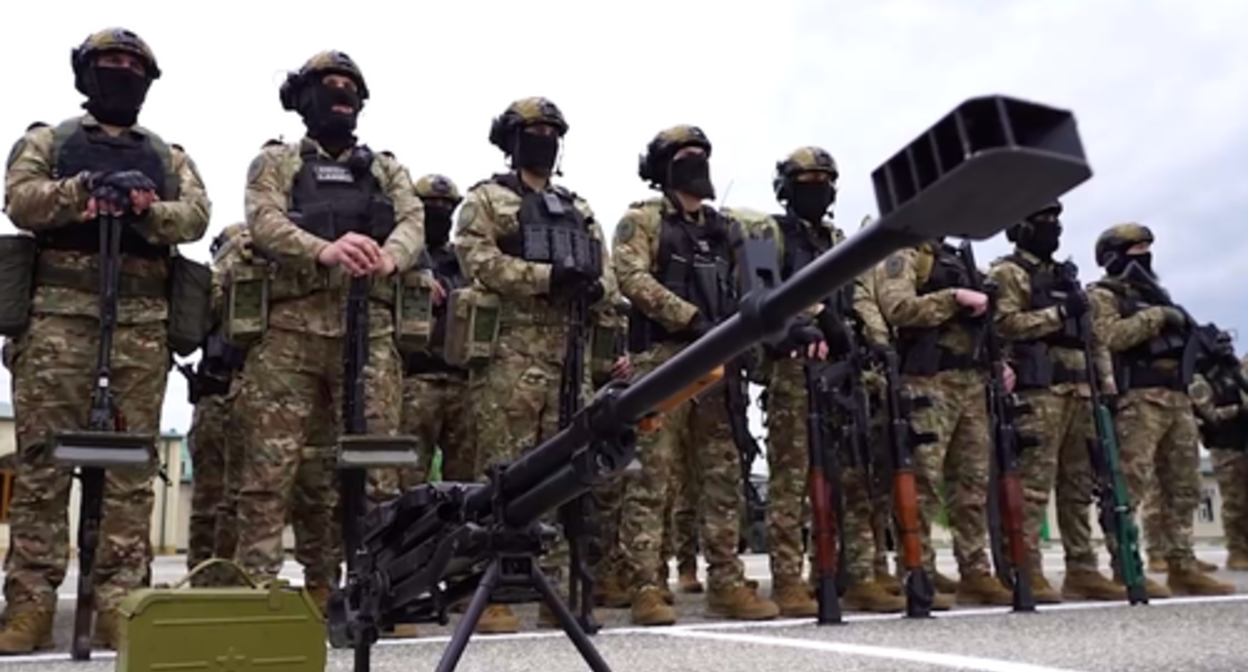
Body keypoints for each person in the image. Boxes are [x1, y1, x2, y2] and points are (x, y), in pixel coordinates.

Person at [0, 27, 211, 652]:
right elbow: (19, 199)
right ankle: (29, 607)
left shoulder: (168, 157)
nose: (122, 72)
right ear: (86, 74)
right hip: (57, 326)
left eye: (132, 65)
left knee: (130, 474)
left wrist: (147, 209)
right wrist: (83, 192)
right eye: (110, 62)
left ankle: (122, 605)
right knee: (41, 471)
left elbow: (196, 216)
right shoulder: (49, 141)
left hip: (140, 330)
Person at [229, 50, 422, 588]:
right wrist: (324, 249)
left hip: (369, 329)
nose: (342, 94)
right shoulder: (278, 162)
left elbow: (412, 220)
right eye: (330, 84)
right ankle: (260, 590)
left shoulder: (385, 169)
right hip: (291, 330)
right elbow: (262, 220)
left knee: (379, 469)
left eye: (350, 86)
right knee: (270, 469)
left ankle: (378, 588)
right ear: (305, 98)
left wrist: (391, 257)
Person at [453, 96, 624, 634]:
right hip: (510, 353)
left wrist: (595, 289)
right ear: (511, 139)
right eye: (534, 130)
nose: (544, 139)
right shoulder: (486, 199)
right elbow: (476, 260)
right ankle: (490, 590)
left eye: (553, 131)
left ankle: (558, 590)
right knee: (502, 470)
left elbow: (607, 274)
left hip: (569, 354)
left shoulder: (579, 208)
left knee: (568, 473)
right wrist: (546, 278)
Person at [612, 124, 781, 626]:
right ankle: (646, 585)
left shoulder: (729, 229)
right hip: (663, 362)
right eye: (685, 155)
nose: (696, 162)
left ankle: (726, 581)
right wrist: (690, 318)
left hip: (720, 366)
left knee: (722, 477)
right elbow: (632, 278)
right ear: (663, 167)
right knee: (651, 477)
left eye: (701, 153)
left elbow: (761, 284)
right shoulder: (641, 220)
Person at [986, 202, 1127, 602]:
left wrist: (1106, 384)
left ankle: (1082, 568)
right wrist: (1059, 313)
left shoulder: (1066, 275)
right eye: (1043, 221)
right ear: (1021, 228)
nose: (1053, 227)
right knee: (1032, 485)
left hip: (1081, 389)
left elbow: (1093, 337)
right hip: (1040, 389)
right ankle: (1024, 568)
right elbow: (1005, 324)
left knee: (1079, 486)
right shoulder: (1008, 272)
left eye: (1056, 220)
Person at [1085, 223, 1234, 596]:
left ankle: (1182, 564)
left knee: (1184, 486)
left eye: (1147, 249)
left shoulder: (1159, 296)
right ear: (1113, 257)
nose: (1145, 256)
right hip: (1138, 400)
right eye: (1135, 250)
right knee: (1129, 486)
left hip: (1177, 399)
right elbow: (1109, 337)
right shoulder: (1103, 295)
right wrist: (1158, 317)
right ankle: (1126, 567)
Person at [874, 237, 1015, 606]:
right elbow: (898, 309)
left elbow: (988, 323)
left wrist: (1000, 362)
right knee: (923, 482)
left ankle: (975, 569)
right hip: (928, 379)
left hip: (972, 380)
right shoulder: (905, 254)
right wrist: (952, 299)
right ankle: (917, 568)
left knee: (972, 484)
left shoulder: (959, 258)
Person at [398, 174, 474, 488]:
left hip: (462, 381)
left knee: (466, 482)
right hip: (415, 380)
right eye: (431, 204)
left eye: (446, 205)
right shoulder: (402, 258)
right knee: (407, 480)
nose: (439, 210)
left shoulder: (464, 263)